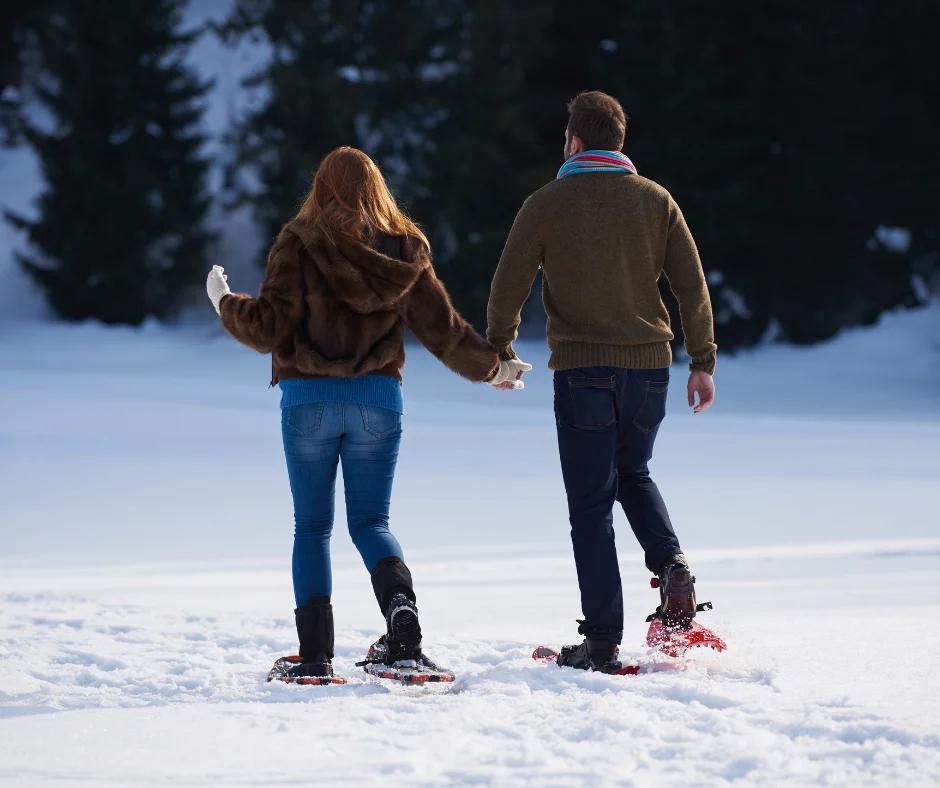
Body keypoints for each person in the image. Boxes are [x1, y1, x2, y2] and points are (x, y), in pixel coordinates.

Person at [206, 147, 530, 680]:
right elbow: (442, 329)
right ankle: (403, 632)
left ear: (320, 189)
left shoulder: (297, 243)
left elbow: (266, 326)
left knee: (312, 527)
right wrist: (492, 368)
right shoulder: (404, 249)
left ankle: (315, 658)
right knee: (372, 523)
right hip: (378, 402)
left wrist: (223, 301)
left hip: (307, 401)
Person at [486, 91, 717, 672]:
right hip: (651, 369)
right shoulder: (656, 201)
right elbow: (690, 285)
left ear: (575, 142)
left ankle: (602, 640)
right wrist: (703, 360)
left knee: (590, 505)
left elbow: (509, 281)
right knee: (632, 472)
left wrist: (500, 348)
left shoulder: (546, 203)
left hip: (585, 371)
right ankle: (673, 568)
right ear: (621, 143)